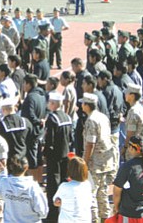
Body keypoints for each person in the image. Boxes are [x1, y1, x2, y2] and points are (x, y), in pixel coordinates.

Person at [81, 93, 114, 222]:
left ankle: (93, 220)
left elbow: (90, 144)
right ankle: (105, 218)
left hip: (95, 163)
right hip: (106, 161)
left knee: (91, 194)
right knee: (103, 193)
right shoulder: (103, 117)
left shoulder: (91, 121)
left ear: (87, 105)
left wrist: (85, 162)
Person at [113, 135, 143, 222]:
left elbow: (117, 190)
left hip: (130, 212)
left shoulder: (128, 166)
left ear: (132, 148)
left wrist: (117, 208)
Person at [44, 92, 73, 222]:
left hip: (54, 157)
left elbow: (49, 140)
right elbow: (71, 139)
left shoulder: (52, 119)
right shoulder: (67, 117)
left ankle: (53, 215)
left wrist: (46, 154)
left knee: (53, 187)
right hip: (65, 156)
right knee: (64, 183)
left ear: (54, 104)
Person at [0, 155, 48, 223]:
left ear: (11, 167)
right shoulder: (33, 186)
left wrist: (2, 173)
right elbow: (43, 211)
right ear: (26, 167)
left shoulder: (4, 183)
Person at [21, 74, 47, 182]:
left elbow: (30, 115)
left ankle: (33, 182)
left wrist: (38, 121)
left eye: (24, 83)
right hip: (40, 131)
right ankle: (39, 181)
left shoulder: (30, 97)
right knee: (39, 157)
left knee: (32, 159)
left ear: (28, 84)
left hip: (32, 132)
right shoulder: (42, 96)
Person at [53, 157, 92, 223]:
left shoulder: (64, 186)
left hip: (67, 220)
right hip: (84, 219)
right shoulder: (87, 185)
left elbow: (56, 203)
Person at [122, 84, 143, 161]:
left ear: (132, 96)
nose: (125, 94)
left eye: (127, 93)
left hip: (135, 149)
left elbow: (130, 134)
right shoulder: (142, 107)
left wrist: (125, 148)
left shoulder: (133, 112)